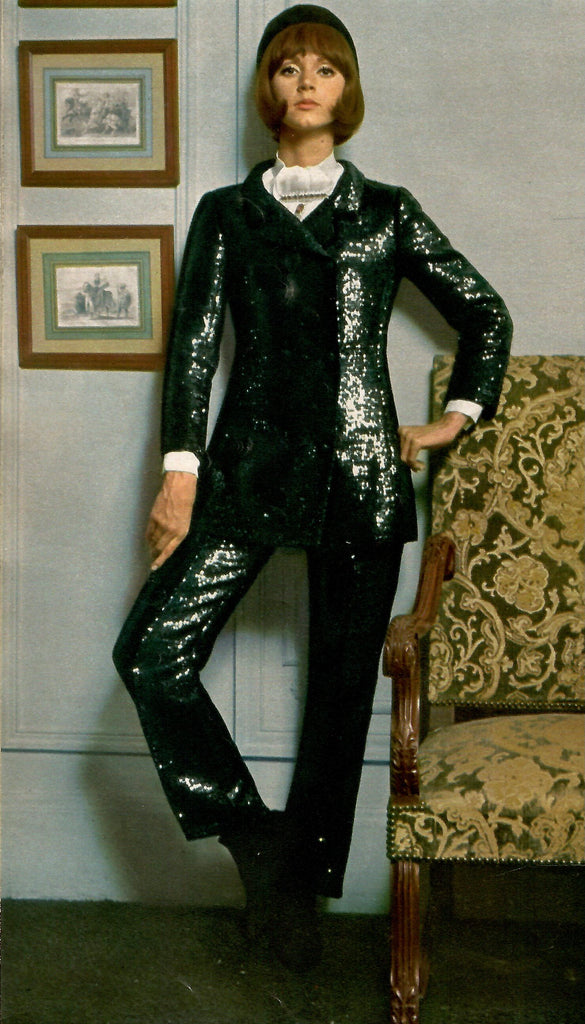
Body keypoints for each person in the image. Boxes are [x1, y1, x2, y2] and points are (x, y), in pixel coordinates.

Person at [113, 4, 512, 971]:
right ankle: (256, 837)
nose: (304, 81)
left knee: (338, 702)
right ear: (268, 87)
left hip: (362, 475)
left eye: (323, 68)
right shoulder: (226, 213)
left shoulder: (387, 210)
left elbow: (484, 314)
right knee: (151, 653)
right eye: (287, 66)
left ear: (345, 90)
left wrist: (454, 418)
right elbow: (192, 353)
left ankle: (297, 899)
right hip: (243, 468)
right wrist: (178, 475)